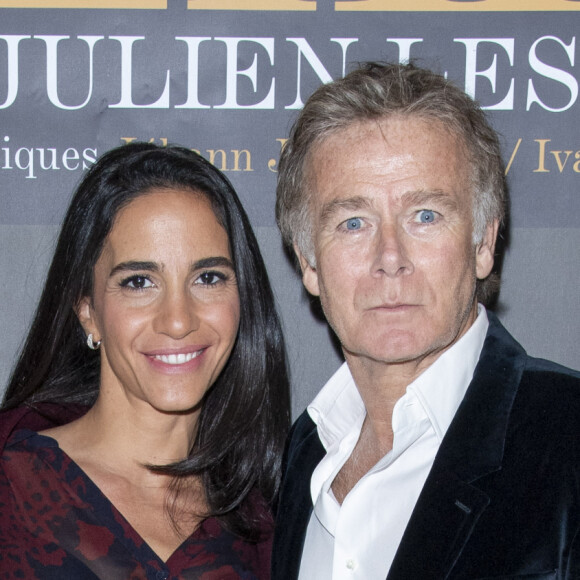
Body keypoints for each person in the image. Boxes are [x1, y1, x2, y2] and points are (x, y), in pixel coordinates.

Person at [272, 62, 580, 579]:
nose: (390, 256)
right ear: (309, 263)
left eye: (425, 216)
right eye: (353, 222)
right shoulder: (302, 454)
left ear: (483, 244)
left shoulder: (568, 438)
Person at [0, 142, 290, 579]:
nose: (177, 320)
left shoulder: (269, 523)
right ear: (87, 310)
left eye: (208, 278)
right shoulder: (11, 488)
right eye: (139, 282)